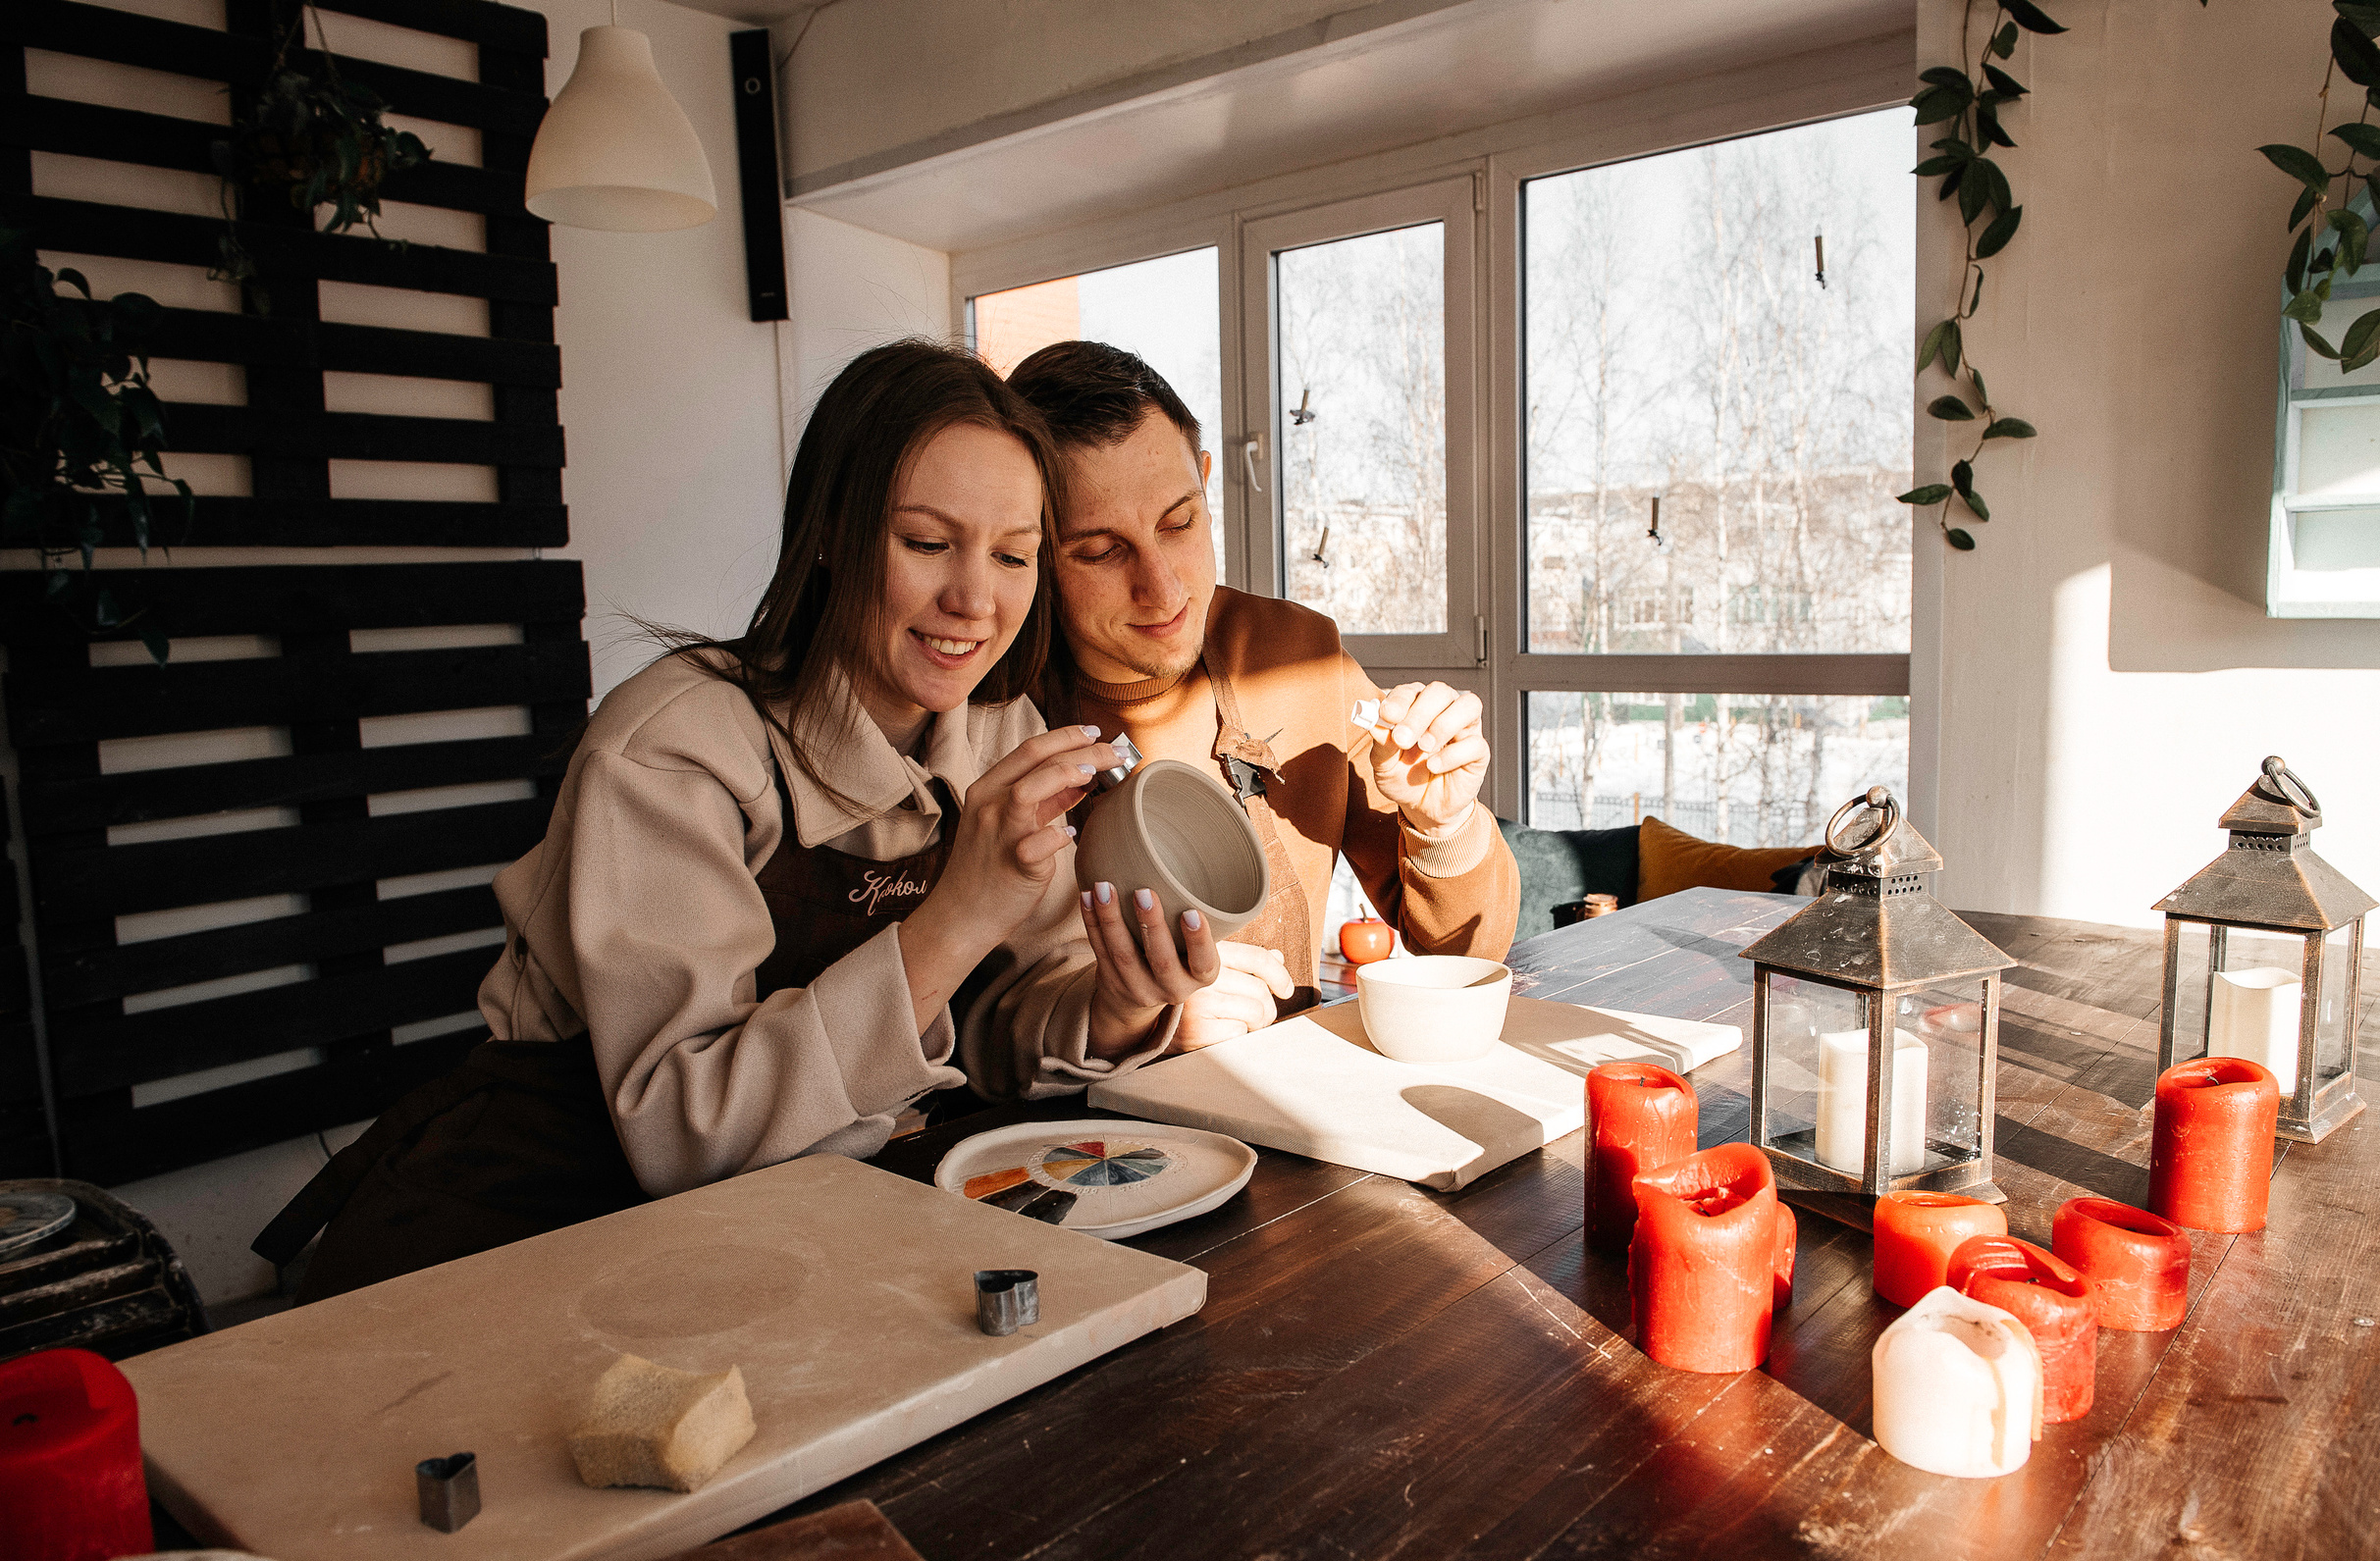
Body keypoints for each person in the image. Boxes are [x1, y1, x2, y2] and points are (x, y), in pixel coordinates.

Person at [259, 341, 1218, 1301]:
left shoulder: (999, 731)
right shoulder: (678, 748)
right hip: (526, 1228)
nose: (975, 598)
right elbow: (688, 1137)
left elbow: (993, 1035)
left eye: (1011, 554)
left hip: (804, 1225)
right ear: (835, 530)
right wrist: (958, 915)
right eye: (927, 543)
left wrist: (1116, 1005)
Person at [1009, 341, 1517, 1052]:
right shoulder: (994, 707)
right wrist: (1137, 1028)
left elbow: (1468, 952)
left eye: (1179, 522)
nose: (1162, 587)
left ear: (1206, 482)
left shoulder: (1298, 656)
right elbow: (976, 1026)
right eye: (1099, 551)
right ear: (1027, 545)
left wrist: (1444, 824)